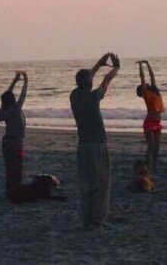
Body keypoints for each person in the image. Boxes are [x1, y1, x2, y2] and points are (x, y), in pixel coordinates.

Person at [70, 52, 120, 230]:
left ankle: (87, 219)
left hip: (82, 146)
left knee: (86, 183)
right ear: (89, 83)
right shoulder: (93, 97)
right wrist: (116, 68)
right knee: (101, 184)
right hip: (97, 145)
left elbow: (88, 78)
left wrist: (99, 63)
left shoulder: (74, 96)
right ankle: (97, 221)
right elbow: (106, 81)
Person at [0, 70, 28, 198]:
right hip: (15, 142)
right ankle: (16, 190)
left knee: (10, 167)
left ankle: (9, 190)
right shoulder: (15, 109)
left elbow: (7, 95)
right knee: (17, 166)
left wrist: (15, 81)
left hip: (8, 141)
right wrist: (26, 81)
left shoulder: (3, 110)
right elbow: (23, 95)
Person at [137, 60, 165, 173]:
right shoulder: (146, 94)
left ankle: (154, 165)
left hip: (157, 123)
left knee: (157, 146)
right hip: (149, 122)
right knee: (151, 146)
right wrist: (140, 66)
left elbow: (152, 76)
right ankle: (147, 165)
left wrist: (148, 64)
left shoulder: (154, 90)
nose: (146, 84)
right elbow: (143, 79)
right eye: (143, 86)